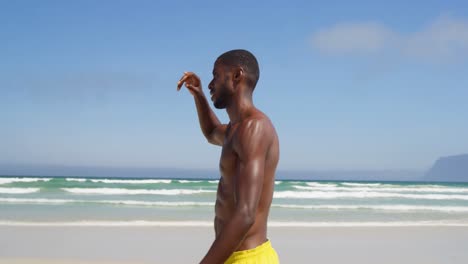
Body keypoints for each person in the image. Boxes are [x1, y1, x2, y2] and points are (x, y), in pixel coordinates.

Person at [177, 49, 280, 264]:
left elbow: (246, 213)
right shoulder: (236, 130)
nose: (210, 83)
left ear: (236, 76)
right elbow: (211, 132)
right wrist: (199, 96)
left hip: (249, 259)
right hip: (234, 257)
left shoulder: (254, 128)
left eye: (215, 75)